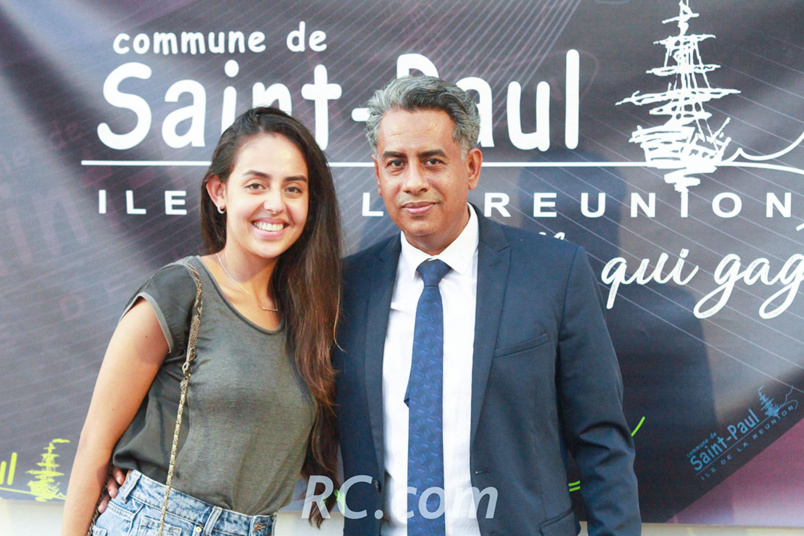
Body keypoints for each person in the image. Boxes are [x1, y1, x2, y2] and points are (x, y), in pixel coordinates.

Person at [334, 76, 641, 535]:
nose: (413, 182)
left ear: (472, 167)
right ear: (378, 176)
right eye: (396, 164)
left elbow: (601, 439)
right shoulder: (346, 286)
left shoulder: (554, 273)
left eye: (432, 161)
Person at [61, 107, 341, 536]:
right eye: (255, 185)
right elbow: (94, 445)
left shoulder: (313, 314)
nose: (275, 204)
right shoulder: (181, 291)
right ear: (219, 192)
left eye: (294, 189)